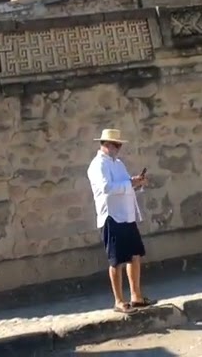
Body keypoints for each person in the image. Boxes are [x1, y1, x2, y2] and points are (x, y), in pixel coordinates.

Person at [86, 128, 155, 313]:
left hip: (126, 214)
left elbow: (125, 183)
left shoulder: (118, 164)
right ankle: (118, 300)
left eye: (119, 144)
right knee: (116, 260)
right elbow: (106, 187)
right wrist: (130, 184)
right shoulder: (97, 165)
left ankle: (136, 296)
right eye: (116, 144)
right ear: (106, 145)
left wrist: (135, 181)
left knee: (134, 255)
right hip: (111, 216)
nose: (119, 148)